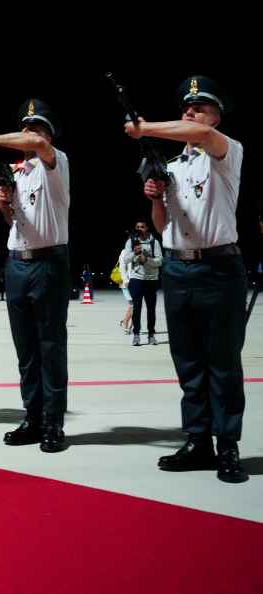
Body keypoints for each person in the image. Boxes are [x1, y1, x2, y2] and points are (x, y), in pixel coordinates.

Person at [128, 75, 248, 483]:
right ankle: (199, 441)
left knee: (224, 363)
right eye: (187, 107)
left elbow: (198, 133)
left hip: (219, 268)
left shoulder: (226, 151)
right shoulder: (173, 167)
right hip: (178, 266)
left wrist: (145, 129)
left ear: (217, 116)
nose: (192, 112)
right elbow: (163, 227)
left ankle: (228, 445)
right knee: (189, 362)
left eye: (201, 107)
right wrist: (155, 198)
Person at [0, 98, 71, 453]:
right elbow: (15, 223)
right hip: (18, 262)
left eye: (36, 127)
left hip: (49, 263)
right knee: (26, 350)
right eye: (25, 127)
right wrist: (4, 205)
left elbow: (40, 145)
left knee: (50, 346)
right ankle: (32, 415)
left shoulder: (55, 162)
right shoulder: (19, 174)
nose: (29, 133)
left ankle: (53, 422)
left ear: (48, 134)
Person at [125, 219, 163, 346]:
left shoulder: (154, 242)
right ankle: (136, 335)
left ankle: (151, 335)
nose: (139, 228)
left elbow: (159, 261)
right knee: (137, 308)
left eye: (142, 226)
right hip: (136, 279)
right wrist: (134, 253)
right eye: (137, 226)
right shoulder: (131, 242)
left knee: (151, 309)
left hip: (151, 279)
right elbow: (125, 260)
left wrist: (147, 259)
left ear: (147, 228)